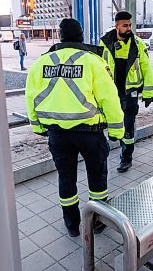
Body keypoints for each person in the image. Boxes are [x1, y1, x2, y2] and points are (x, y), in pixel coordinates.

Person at [25, 18, 124, 237]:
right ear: (81, 35)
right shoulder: (93, 61)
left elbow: (31, 97)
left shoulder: (41, 63)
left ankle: (72, 225)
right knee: (97, 178)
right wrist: (117, 131)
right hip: (90, 134)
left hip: (57, 135)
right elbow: (110, 99)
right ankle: (97, 222)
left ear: (60, 36)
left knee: (66, 178)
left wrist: (38, 126)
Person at [100, 11, 153, 173]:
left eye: (130, 25)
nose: (129, 28)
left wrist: (148, 92)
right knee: (107, 124)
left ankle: (126, 157)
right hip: (110, 93)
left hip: (130, 93)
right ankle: (106, 151)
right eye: (125, 25)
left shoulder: (138, 44)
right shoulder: (104, 43)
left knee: (128, 128)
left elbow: (147, 69)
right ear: (116, 26)